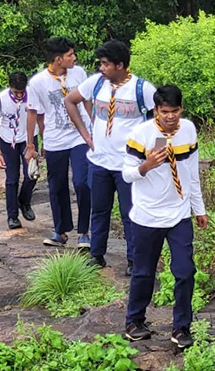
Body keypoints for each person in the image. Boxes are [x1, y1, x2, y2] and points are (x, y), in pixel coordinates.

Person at [122, 84, 208, 349]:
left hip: (179, 212)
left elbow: (192, 173)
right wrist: (146, 165)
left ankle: (182, 327)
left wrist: (199, 208)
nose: (170, 117)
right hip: (147, 215)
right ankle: (134, 321)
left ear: (181, 110)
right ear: (156, 111)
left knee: (185, 271)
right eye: (164, 111)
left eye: (174, 111)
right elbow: (126, 174)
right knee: (144, 272)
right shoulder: (141, 134)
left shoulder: (189, 130)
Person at [65, 39, 156, 274]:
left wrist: (155, 155)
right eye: (101, 64)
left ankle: (134, 260)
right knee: (99, 209)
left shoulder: (142, 89)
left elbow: (161, 119)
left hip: (128, 163)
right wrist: (85, 135)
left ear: (120, 65)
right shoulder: (96, 84)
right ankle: (96, 255)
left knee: (130, 213)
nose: (101, 69)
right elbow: (70, 100)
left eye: (106, 64)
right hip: (99, 161)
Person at [26, 36, 92, 248]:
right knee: (57, 186)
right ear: (58, 59)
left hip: (80, 136)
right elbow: (34, 113)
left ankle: (84, 232)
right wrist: (31, 144)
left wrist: (94, 127)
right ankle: (61, 231)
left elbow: (88, 100)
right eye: (70, 55)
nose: (74, 57)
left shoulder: (79, 73)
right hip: (55, 138)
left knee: (82, 182)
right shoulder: (38, 82)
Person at [0, 71, 37, 230]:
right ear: (10, 87)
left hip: (28, 137)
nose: (19, 95)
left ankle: (24, 201)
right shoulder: (0, 101)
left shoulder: (32, 96)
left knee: (32, 174)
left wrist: (38, 143)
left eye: (22, 92)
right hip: (8, 139)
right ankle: (12, 216)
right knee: (12, 179)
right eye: (16, 92)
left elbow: (40, 117)